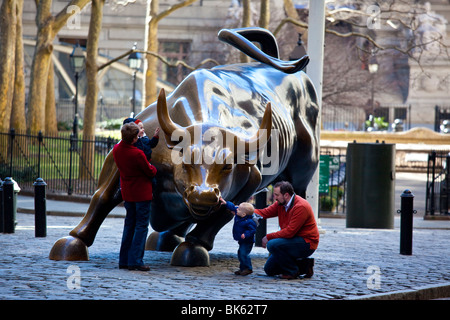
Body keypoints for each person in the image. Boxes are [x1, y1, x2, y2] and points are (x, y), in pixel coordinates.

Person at [113, 122, 157, 271]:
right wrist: (154, 168)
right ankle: (136, 261)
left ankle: (124, 260)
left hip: (128, 193)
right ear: (133, 138)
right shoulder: (137, 153)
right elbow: (150, 171)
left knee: (129, 225)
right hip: (141, 193)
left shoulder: (117, 149)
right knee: (141, 227)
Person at [254, 181, 319, 279]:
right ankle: (305, 265)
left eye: (276, 195)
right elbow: (264, 213)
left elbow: (289, 232)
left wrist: (268, 237)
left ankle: (292, 271)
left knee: (272, 244)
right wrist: (241, 210)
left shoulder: (301, 206)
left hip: (306, 243)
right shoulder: (281, 203)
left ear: (286, 195)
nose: (274, 197)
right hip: (292, 241)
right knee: (269, 270)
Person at [222, 199, 257, 276]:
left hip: (247, 241)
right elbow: (233, 207)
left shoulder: (250, 221)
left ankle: (248, 268)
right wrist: (225, 203)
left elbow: (252, 230)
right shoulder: (239, 215)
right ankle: (242, 269)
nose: (237, 209)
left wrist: (246, 234)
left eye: (239, 209)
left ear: (244, 214)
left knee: (243, 253)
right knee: (240, 253)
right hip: (242, 240)